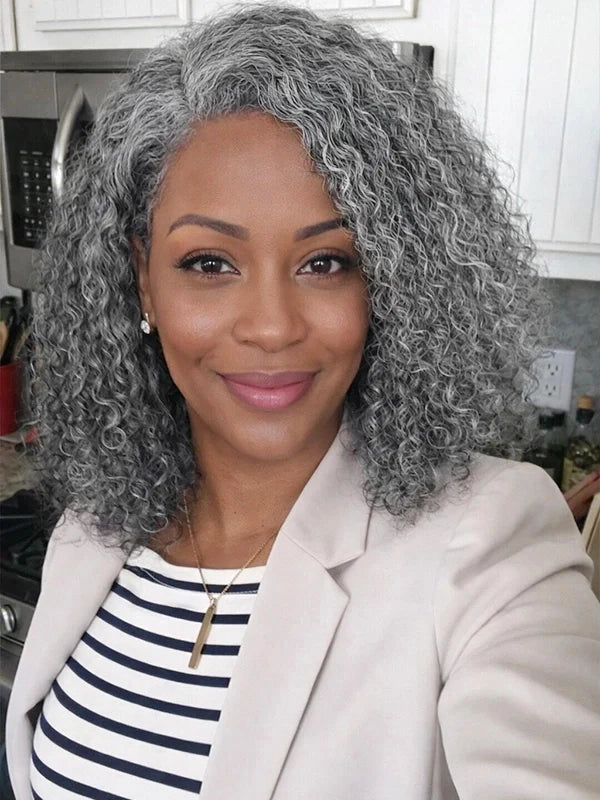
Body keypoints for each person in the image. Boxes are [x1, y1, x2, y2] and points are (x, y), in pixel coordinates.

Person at [6, 3, 600, 799]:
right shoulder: (97, 523)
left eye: (326, 263)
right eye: (210, 262)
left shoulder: (490, 542)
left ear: (390, 282)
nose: (272, 327)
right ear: (141, 278)